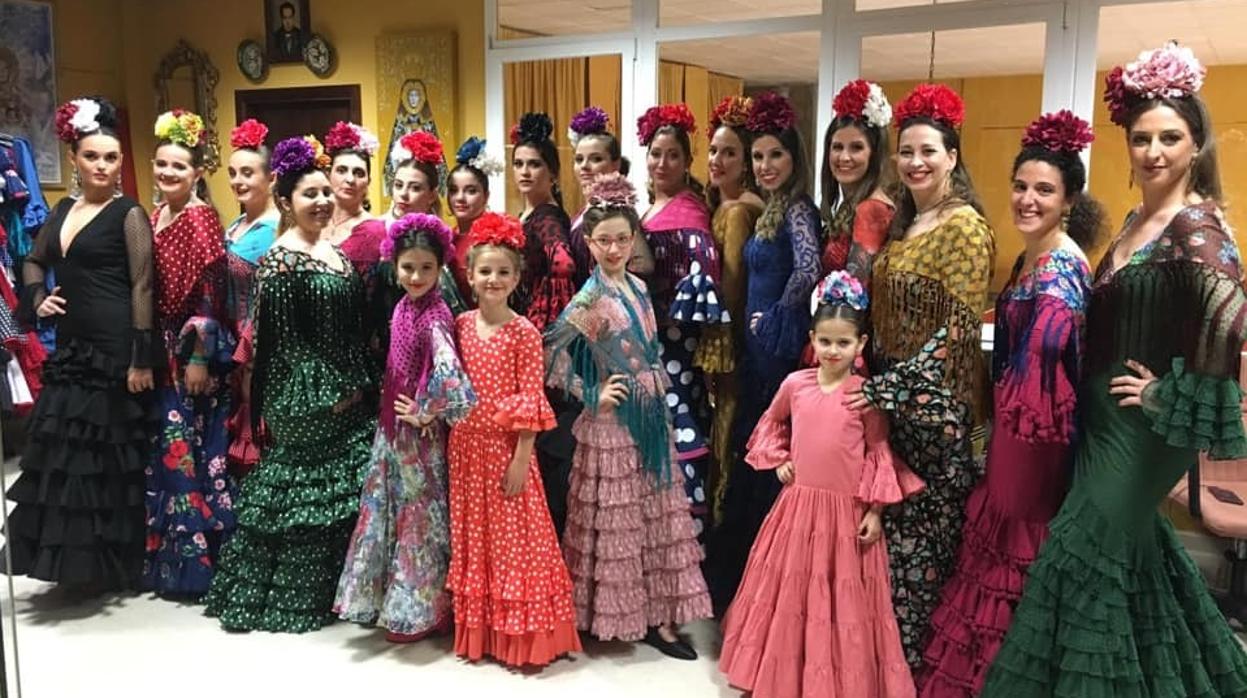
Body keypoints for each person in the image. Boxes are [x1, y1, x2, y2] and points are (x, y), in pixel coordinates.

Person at [982, 42, 1247, 696]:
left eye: (1169, 138)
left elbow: (1230, 324)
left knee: (1083, 548)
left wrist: (1163, 393)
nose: (1152, 151)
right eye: (1140, 138)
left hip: (1142, 424)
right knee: (1126, 558)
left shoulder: (1197, 227)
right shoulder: (1135, 218)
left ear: (1194, 145)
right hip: (1102, 416)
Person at [919, 111, 1102, 696]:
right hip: (1013, 429)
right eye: (1021, 186)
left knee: (1013, 549)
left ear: (1069, 198)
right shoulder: (1033, 256)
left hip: (1036, 439)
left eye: (1044, 190)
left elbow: (1052, 360)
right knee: (996, 540)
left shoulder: (1060, 274)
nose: (1027, 199)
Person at [843, 83, 995, 668]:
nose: (915, 162)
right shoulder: (910, 221)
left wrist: (891, 388)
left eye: (928, 151)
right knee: (891, 549)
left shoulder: (963, 228)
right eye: (906, 152)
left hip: (937, 418)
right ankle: (887, 665)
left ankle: (921, 672)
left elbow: (955, 334)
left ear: (953, 156)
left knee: (924, 551)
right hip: (894, 408)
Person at [719, 271, 924, 698]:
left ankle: (833, 682)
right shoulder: (795, 385)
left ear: (860, 345)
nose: (833, 350)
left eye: (843, 342)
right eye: (825, 341)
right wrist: (779, 460)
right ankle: (781, 676)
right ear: (812, 339)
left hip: (845, 516)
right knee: (792, 593)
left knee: (838, 601)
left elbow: (878, 453)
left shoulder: (863, 396)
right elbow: (770, 424)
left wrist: (875, 510)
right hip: (798, 512)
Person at [203, 135, 374, 633]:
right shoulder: (281, 260)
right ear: (286, 201)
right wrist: (329, 393)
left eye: (326, 192)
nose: (322, 201)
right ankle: (289, 596)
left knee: (336, 494)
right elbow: (283, 347)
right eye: (310, 194)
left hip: (346, 386)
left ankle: (341, 589)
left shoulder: (331, 248)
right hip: (305, 396)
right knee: (303, 497)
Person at [545, 173, 713, 660]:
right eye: (604, 240)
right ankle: (616, 617)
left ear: (633, 238)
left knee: (655, 517)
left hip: (652, 416)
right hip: (614, 425)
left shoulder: (638, 288)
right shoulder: (591, 300)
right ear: (590, 244)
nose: (614, 247)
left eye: (623, 238)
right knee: (617, 524)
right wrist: (591, 392)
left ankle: (660, 620)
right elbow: (552, 357)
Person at [4, 96, 154, 592]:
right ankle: (72, 565)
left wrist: (139, 357)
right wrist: (38, 297)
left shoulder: (130, 213)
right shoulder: (64, 209)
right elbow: (32, 258)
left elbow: (142, 287)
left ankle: (111, 565)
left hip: (113, 343)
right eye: (94, 157)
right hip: (70, 342)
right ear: (76, 159)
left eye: (112, 158)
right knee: (68, 452)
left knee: (107, 455)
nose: (104, 166)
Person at [446, 211, 581, 667]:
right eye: (485, 270)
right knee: (477, 540)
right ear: (470, 274)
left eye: (503, 271)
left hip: (507, 451)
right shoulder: (460, 325)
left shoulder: (523, 331)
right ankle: (483, 633)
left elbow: (530, 397)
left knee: (517, 542)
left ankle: (521, 634)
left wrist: (523, 458)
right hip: (465, 449)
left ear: (518, 276)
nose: (493, 279)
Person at [334, 212, 476, 642]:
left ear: (441, 269)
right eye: (408, 267)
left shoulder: (435, 315)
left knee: (419, 519)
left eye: (426, 268)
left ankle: (426, 608)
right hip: (392, 431)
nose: (416, 276)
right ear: (394, 266)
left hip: (418, 438)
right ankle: (397, 602)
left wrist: (428, 409)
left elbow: (451, 374)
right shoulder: (402, 307)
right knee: (395, 511)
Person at [708, 92, 821, 613]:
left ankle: (768, 590)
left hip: (776, 345)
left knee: (767, 448)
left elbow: (807, 268)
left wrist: (776, 314)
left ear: (794, 159)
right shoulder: (769, 207)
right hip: (757, 348)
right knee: (751, 448)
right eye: (758, 156)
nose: (765, 165)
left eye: (775, 155)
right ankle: (748, 586)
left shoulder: (798, 208)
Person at [144, 109, 237, 595]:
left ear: (197, 172)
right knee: (171, 453)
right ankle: (173, 561)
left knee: (193, 450)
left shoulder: (200, 217)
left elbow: (210, 290)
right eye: (161, 164)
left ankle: (203, 566)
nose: (167, 174)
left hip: (192, 350)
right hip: (162, 345)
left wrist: (200, 354)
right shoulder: (156, 214)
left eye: (178, 166)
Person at [635, 102, 726, 539]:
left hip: (675, 342)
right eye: (656, 153)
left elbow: (701, 288)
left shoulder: (689, 211)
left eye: (673, 154)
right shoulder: (648, 208)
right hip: (645, 342)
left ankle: (683, 536)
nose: (662, 163)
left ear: (687, 161)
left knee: (679, 425)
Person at [510, 111, 580, 539]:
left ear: (552, 172)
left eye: (534, 164)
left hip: (543, 345)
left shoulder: (547, 218)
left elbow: (563, 263)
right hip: (532, 337)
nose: (524, 171)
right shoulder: (530, 214)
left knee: (545, 444)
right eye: (519, 163)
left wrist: (537, 322)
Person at [702, 95, 764, 522]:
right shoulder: (719, 203)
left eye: (729, 153)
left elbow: (732, 285)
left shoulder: (741, 209)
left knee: (726, 416)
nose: (718, 159)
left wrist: (716, 339)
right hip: (724, 332)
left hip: (729, 335)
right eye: (713, 150)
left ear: (746, 162)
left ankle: (721, 507)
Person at [223, 118, 279, 479]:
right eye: (232, 172)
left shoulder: (278, 230)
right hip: (228, 343)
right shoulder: (234, 225)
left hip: (260, 347)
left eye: (248, 172)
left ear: (271, 178)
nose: (238, 181)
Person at [323, 120, 390, 370]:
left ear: (368, 182)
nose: (349, 179)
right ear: (329, 175)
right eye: (341, 170)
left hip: (353, 348)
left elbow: (373, 302)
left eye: (359, 173)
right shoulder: (313, 222)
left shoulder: (373, 231)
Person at [821, 79, 895, 283]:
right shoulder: (849, 205)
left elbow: (853, 292)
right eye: (837, 147)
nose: (844, 157)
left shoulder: (872, 209)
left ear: (874, 154)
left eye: (856, 148)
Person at [567, 105, 628, 271]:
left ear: (615, 164)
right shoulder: (587, 208)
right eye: (579, 159)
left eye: (596, 159)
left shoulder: (614, 210)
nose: (584, 166)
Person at [442, 136, 500, 312]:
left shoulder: (494, 239)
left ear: (486, 196)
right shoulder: (445, 238)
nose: (460, 198)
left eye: (471, 191)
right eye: (454, 190)